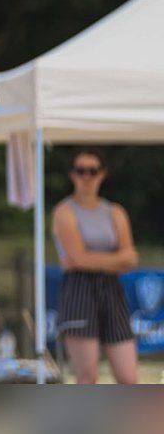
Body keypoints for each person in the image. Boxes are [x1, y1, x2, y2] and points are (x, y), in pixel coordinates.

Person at [50, 149, 139, 384]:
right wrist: (113, 259)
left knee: (128, 378)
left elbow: (131, 259)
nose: (87, 176)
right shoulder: (64, 212)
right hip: (79, 291)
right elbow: (78, 257)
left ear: (102, 174)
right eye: (81, 171)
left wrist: (89, 260)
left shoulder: (115, 212)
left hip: (112, 291)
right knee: (88, 377)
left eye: (93, 171)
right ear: (73, 175)